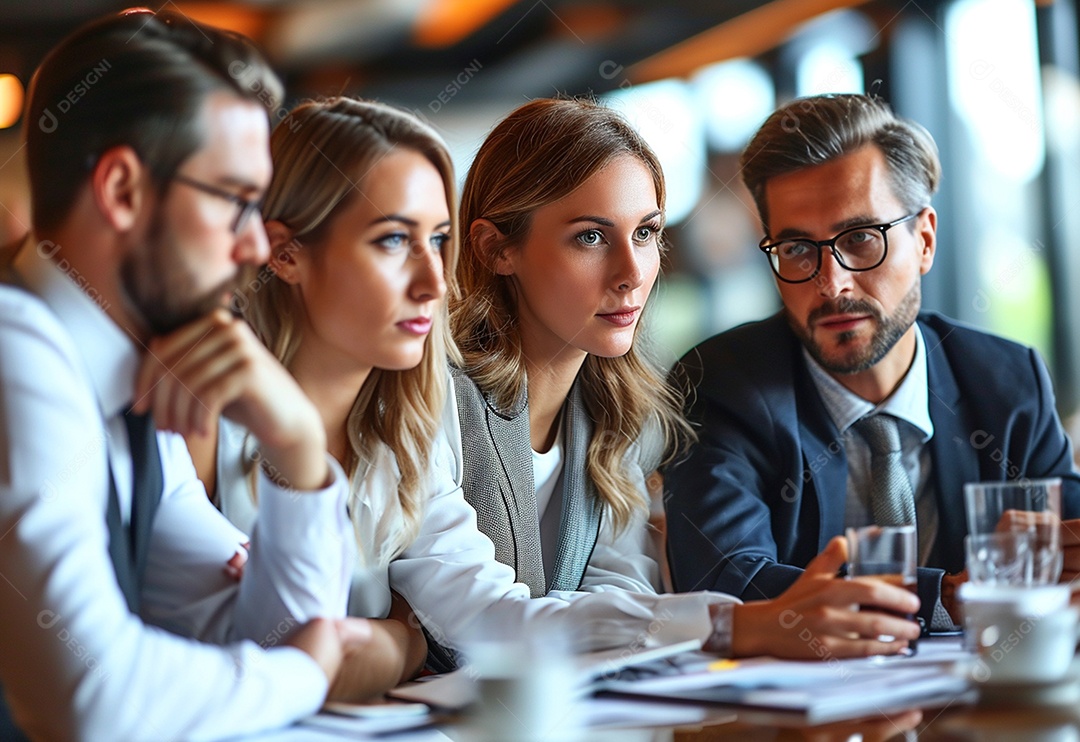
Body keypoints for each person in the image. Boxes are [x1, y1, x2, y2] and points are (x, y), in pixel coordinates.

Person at [0, 11, 367, 740]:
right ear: (124, 191)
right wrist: (304, 674)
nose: (257, 245)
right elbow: (96, 700)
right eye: (235, 200)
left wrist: (294, 443)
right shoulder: (16, 352)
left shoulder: (130, 376)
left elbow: (253, 636)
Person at [449, 96, 920, 659]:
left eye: (645, 233)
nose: (632, 274)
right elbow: (476, 621)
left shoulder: (619, 413)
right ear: (495, 247)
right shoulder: (439, 402)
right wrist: (733, 626)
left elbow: (621, 589)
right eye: (591, 237)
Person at [664, 93, 1080, 629]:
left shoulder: (1006, 379)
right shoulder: (721, 384)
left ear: (925, 240)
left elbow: (1065, 534)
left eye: (861, 238)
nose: (830, 283)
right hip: (804, 708)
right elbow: (727, 583)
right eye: (796, 249)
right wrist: (943, 598)